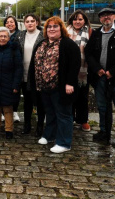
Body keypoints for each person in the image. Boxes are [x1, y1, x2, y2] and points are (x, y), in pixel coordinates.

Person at [85, 8, 115, 146]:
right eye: (103, 16)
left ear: (114, 16)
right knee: (102, 106)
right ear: (100, 19)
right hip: (100, 77)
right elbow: (88, 53)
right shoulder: (96, 34)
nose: (106, 18)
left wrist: (112, 71)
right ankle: (104, 131)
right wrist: (97, 69)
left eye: (109, 15)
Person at [31, 16, 81, 153]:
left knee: (63, 114)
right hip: (44, 87)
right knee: (50, 113)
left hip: (60, 87)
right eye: (49, 27)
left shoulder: (67, 44)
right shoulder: (42, 43)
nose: (51, 29)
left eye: (55, 26)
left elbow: (75, 64)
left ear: (61, 28)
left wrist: (70, 83)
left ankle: (64, 143)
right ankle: (50, 135)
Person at [14, 14, 45, 136]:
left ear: (37, 22)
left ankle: (40, 126)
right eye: (27, 21)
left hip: (39, 74)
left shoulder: (43, 35)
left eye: (33, 21)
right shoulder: (20, 35)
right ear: (24, 23)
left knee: (40, 101)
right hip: (24, 73)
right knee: (27, 101)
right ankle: (27, 125)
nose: (30, 23)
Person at [66, 10, 92, 132]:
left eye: (80, 19)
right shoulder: (65, 32)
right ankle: (69, 118)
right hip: (69, 68)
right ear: (71, 20)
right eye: (75, 19)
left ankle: (83, 120)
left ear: (84, 21)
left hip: (83, 70)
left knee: (82, 96)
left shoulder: (90, 32)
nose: (77, 22)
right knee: (69, 96)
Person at [3, 15, 21, 122]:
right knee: (4, 90)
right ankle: (3, 112)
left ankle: (14, 112)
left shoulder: (20, 35)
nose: (9, 24)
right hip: (5, 67)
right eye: (7, 22)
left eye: (12, 22)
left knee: (16, 91)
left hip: (16, 66)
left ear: (15, 23)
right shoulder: (0, 35)